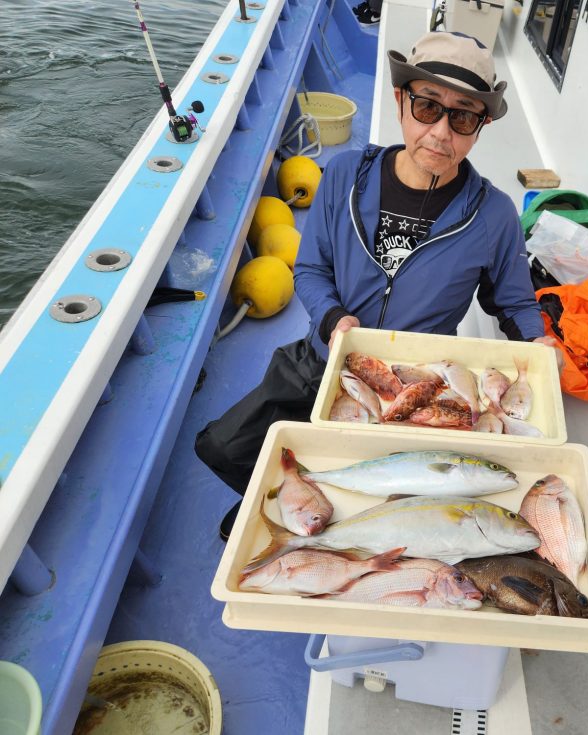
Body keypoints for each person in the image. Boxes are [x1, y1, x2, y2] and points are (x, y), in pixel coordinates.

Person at [195, 31, 563, 540]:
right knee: (219, 446)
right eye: (428, 106)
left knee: (394, 496)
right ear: (400, 101)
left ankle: (313, 509)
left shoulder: (495, 214)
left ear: (480, 127)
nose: (440, 132)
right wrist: (331, 320)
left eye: (462, 116)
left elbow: (514, 302)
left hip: (420, 384)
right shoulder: (345, 173)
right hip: (322, 358)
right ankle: (285, 494)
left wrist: (537, 342)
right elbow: (311, 269)